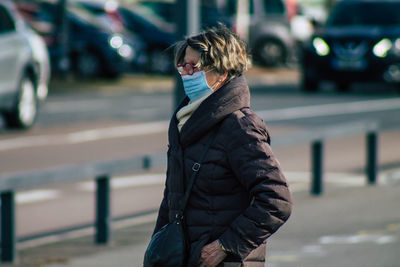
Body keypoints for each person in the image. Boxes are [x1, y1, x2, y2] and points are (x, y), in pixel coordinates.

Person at [152, 24, 292, 267]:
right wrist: (157, 249)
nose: (186, 73)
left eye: (194, 67)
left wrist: (226, 245)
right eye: (183, 66)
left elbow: (276, 199)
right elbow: (172, 199)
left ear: (222, 72)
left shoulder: (239, 127)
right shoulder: (183, 121)